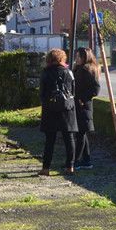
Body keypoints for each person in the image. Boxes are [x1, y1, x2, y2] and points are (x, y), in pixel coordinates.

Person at [39, 48, 77, 176]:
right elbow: (73, 91)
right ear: (62, 59)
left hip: (50, 109)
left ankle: (46, 168)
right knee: (69, 138)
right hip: (67, 109)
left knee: (50, 140)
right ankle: (70, 166)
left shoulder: (46, 73)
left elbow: (42, 94)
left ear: (49, 59)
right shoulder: (69, 72)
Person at [72, 47, 101, 169]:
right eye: (76, 56)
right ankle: (86, 160)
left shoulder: (88, 70)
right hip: (78, 105)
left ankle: (76, 161)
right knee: (81, 133)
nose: (77, 59)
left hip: (84, 105)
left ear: (85, 57)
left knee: (80, 134)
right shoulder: (79, 69)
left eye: (79, 56)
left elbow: (95, 89)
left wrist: (82, 99)